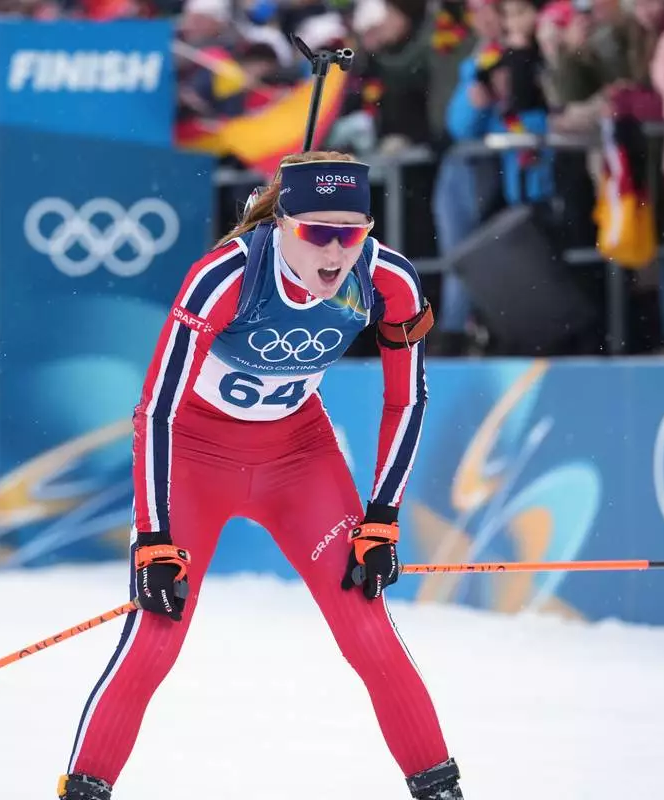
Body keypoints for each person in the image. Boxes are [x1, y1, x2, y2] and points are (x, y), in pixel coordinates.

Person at [57, 151, 465, 800]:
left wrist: (382, 517)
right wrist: (153, 536)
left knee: (370, 630)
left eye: (351, 232)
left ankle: (440, 791)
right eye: (317, 233)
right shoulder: (225, 276)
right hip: (193, 459)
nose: (336, 253)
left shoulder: (387, 280)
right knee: (156, 637)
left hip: (298, 461)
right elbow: (157, 409)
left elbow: (407, 399)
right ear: (282, 226)